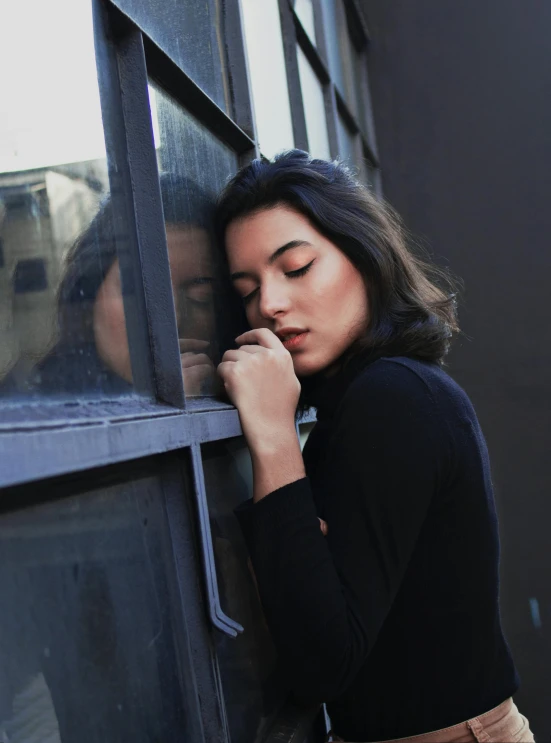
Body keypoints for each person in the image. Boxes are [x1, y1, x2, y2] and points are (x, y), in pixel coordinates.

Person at [214, 150, 534, 743]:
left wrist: (275, 435)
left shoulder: (394, 397)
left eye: (297, 266)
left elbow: (322, 661)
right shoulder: (364, 401)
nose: (270, 304)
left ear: (363, 255)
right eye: (247, 288)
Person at [4, 174, 226, 398]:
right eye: (142, 292)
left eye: (201, 297)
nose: (174, 319)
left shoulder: (233, 395)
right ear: (90, 300)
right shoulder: (33, 405)